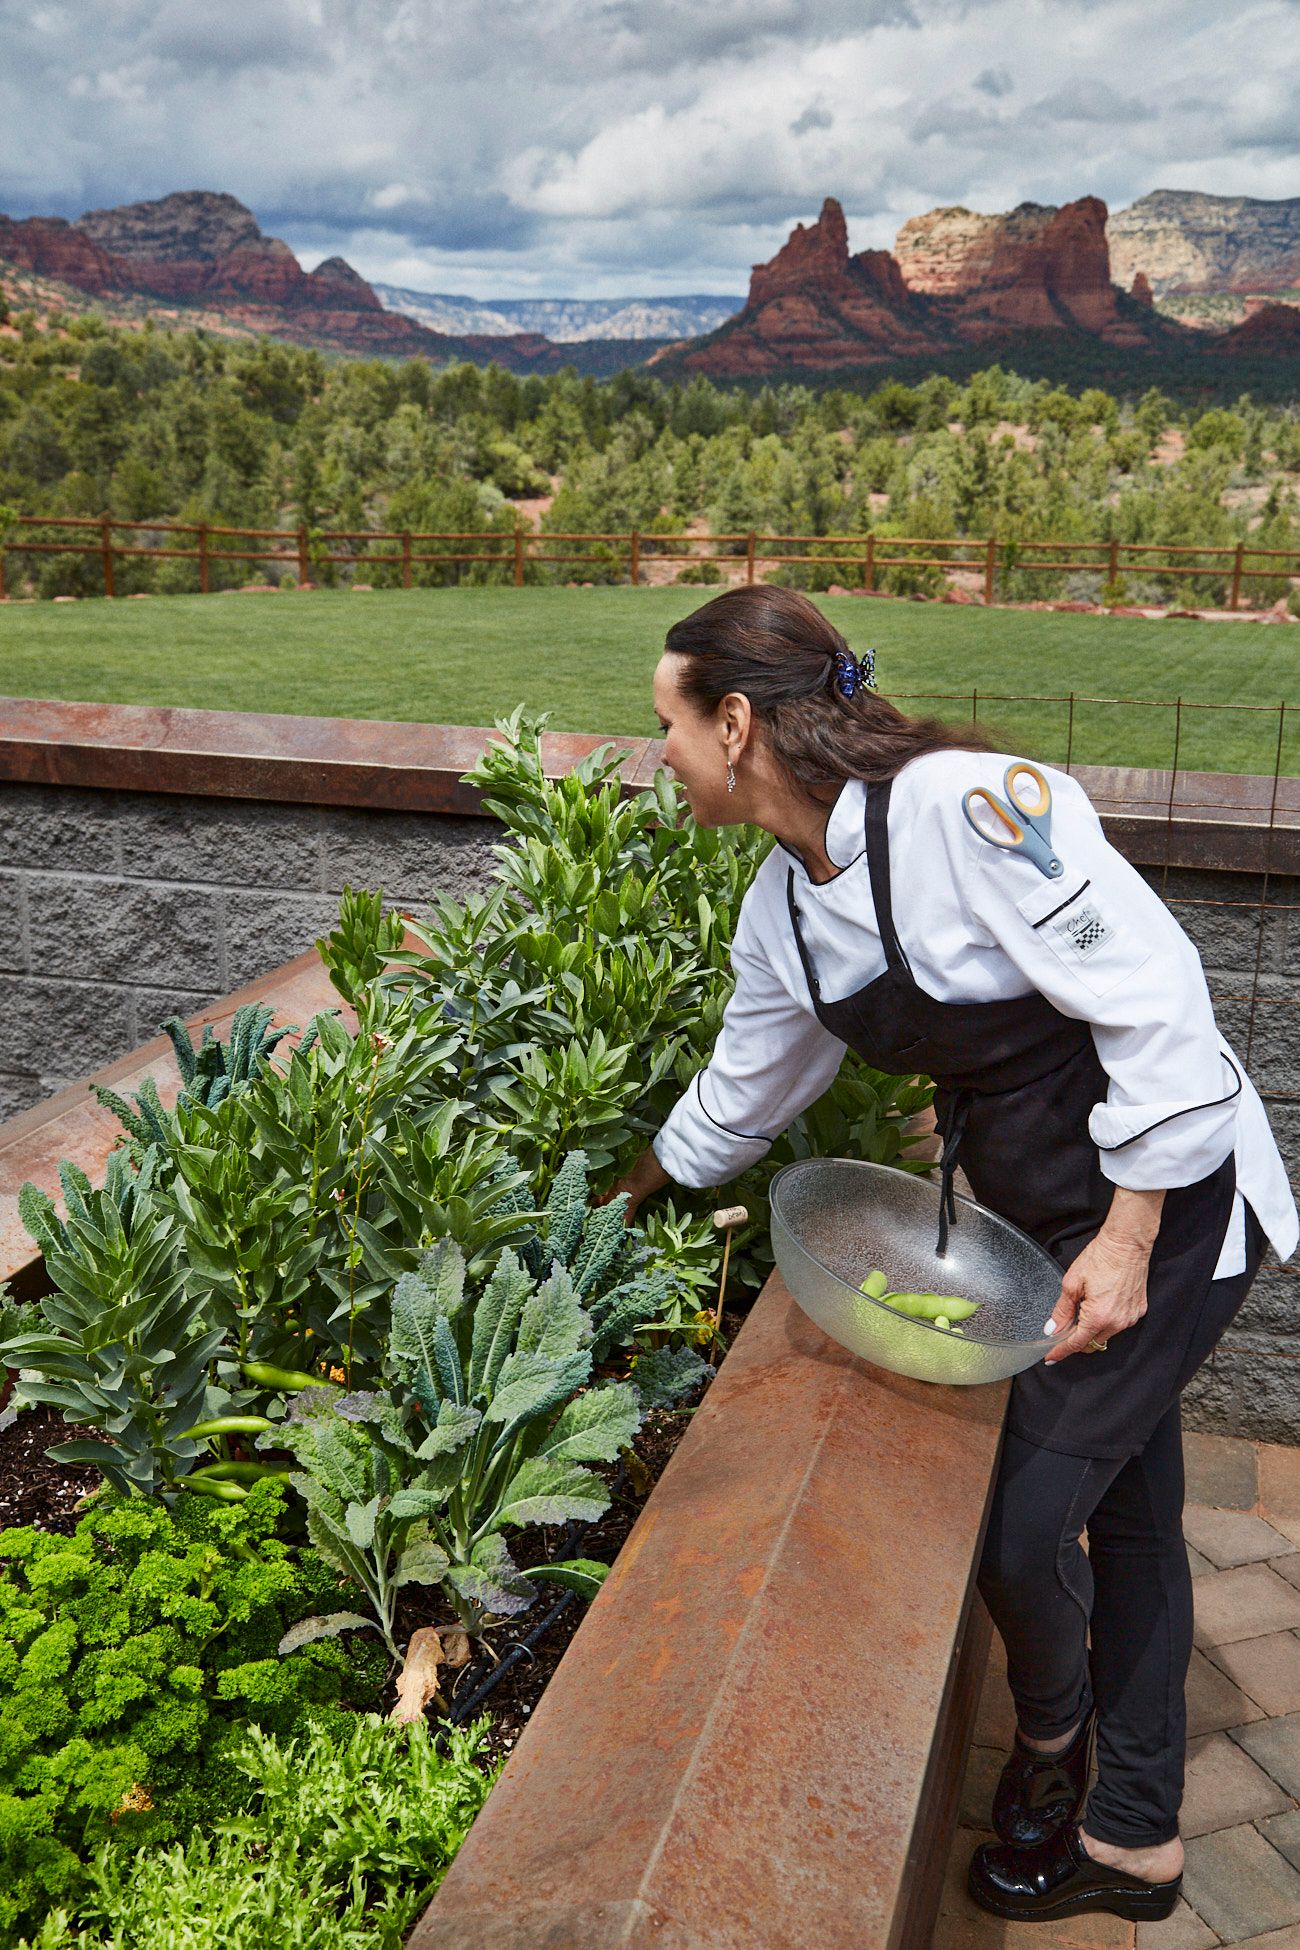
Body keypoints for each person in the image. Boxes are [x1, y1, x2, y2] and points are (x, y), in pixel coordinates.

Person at [607, 585, 1297, 1927]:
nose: (661, 758)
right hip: (1052, 1224)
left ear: (736, 724)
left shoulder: (969, 810)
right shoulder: (786, 914)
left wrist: (1128, 1235)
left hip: (1171, 1208)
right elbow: (737, 1098)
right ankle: (1136, 1835)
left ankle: (1053, 1748)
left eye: (668, 727)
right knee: (1137, 1507)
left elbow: (1157, 998)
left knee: (1026, 1520)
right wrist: (605, 1208)